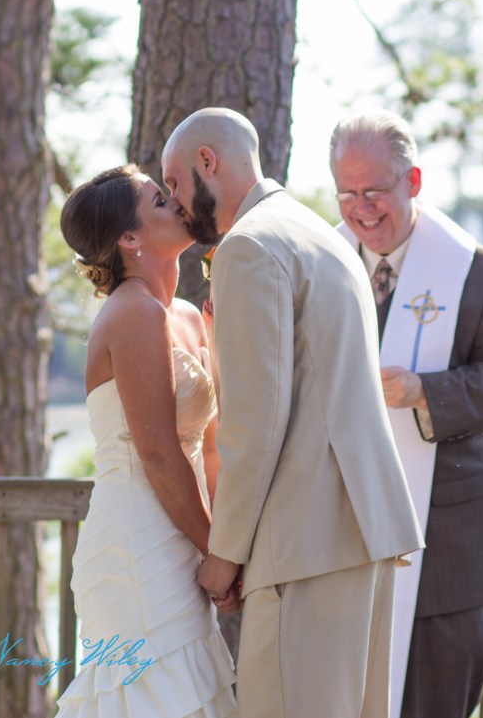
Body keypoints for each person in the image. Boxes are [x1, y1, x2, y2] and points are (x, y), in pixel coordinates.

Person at [161, 108, 424, 718]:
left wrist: (224, 553)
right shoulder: (321, 237)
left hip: (304, 543)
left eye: (174, 182)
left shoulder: (249, 247)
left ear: (209, 161)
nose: (174, 202)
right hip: (363, 533)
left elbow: (257, 424)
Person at [329, 110, 483, 718]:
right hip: (349, 541)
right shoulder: (321, 268)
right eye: (347, 192)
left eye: (376, 191)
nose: (361, 208)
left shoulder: (480, 274)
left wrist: (426, 390)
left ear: (412, 181)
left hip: (451, 549)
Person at [55, 164, 238, 718]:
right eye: (162, 201)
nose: (180, 206)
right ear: (129, 239)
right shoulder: (133, 311)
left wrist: (225, 548)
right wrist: (215, 550)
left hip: (181, 532)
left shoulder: (183, 313)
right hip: (138, 545)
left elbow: (207, 446)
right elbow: (157, 452)